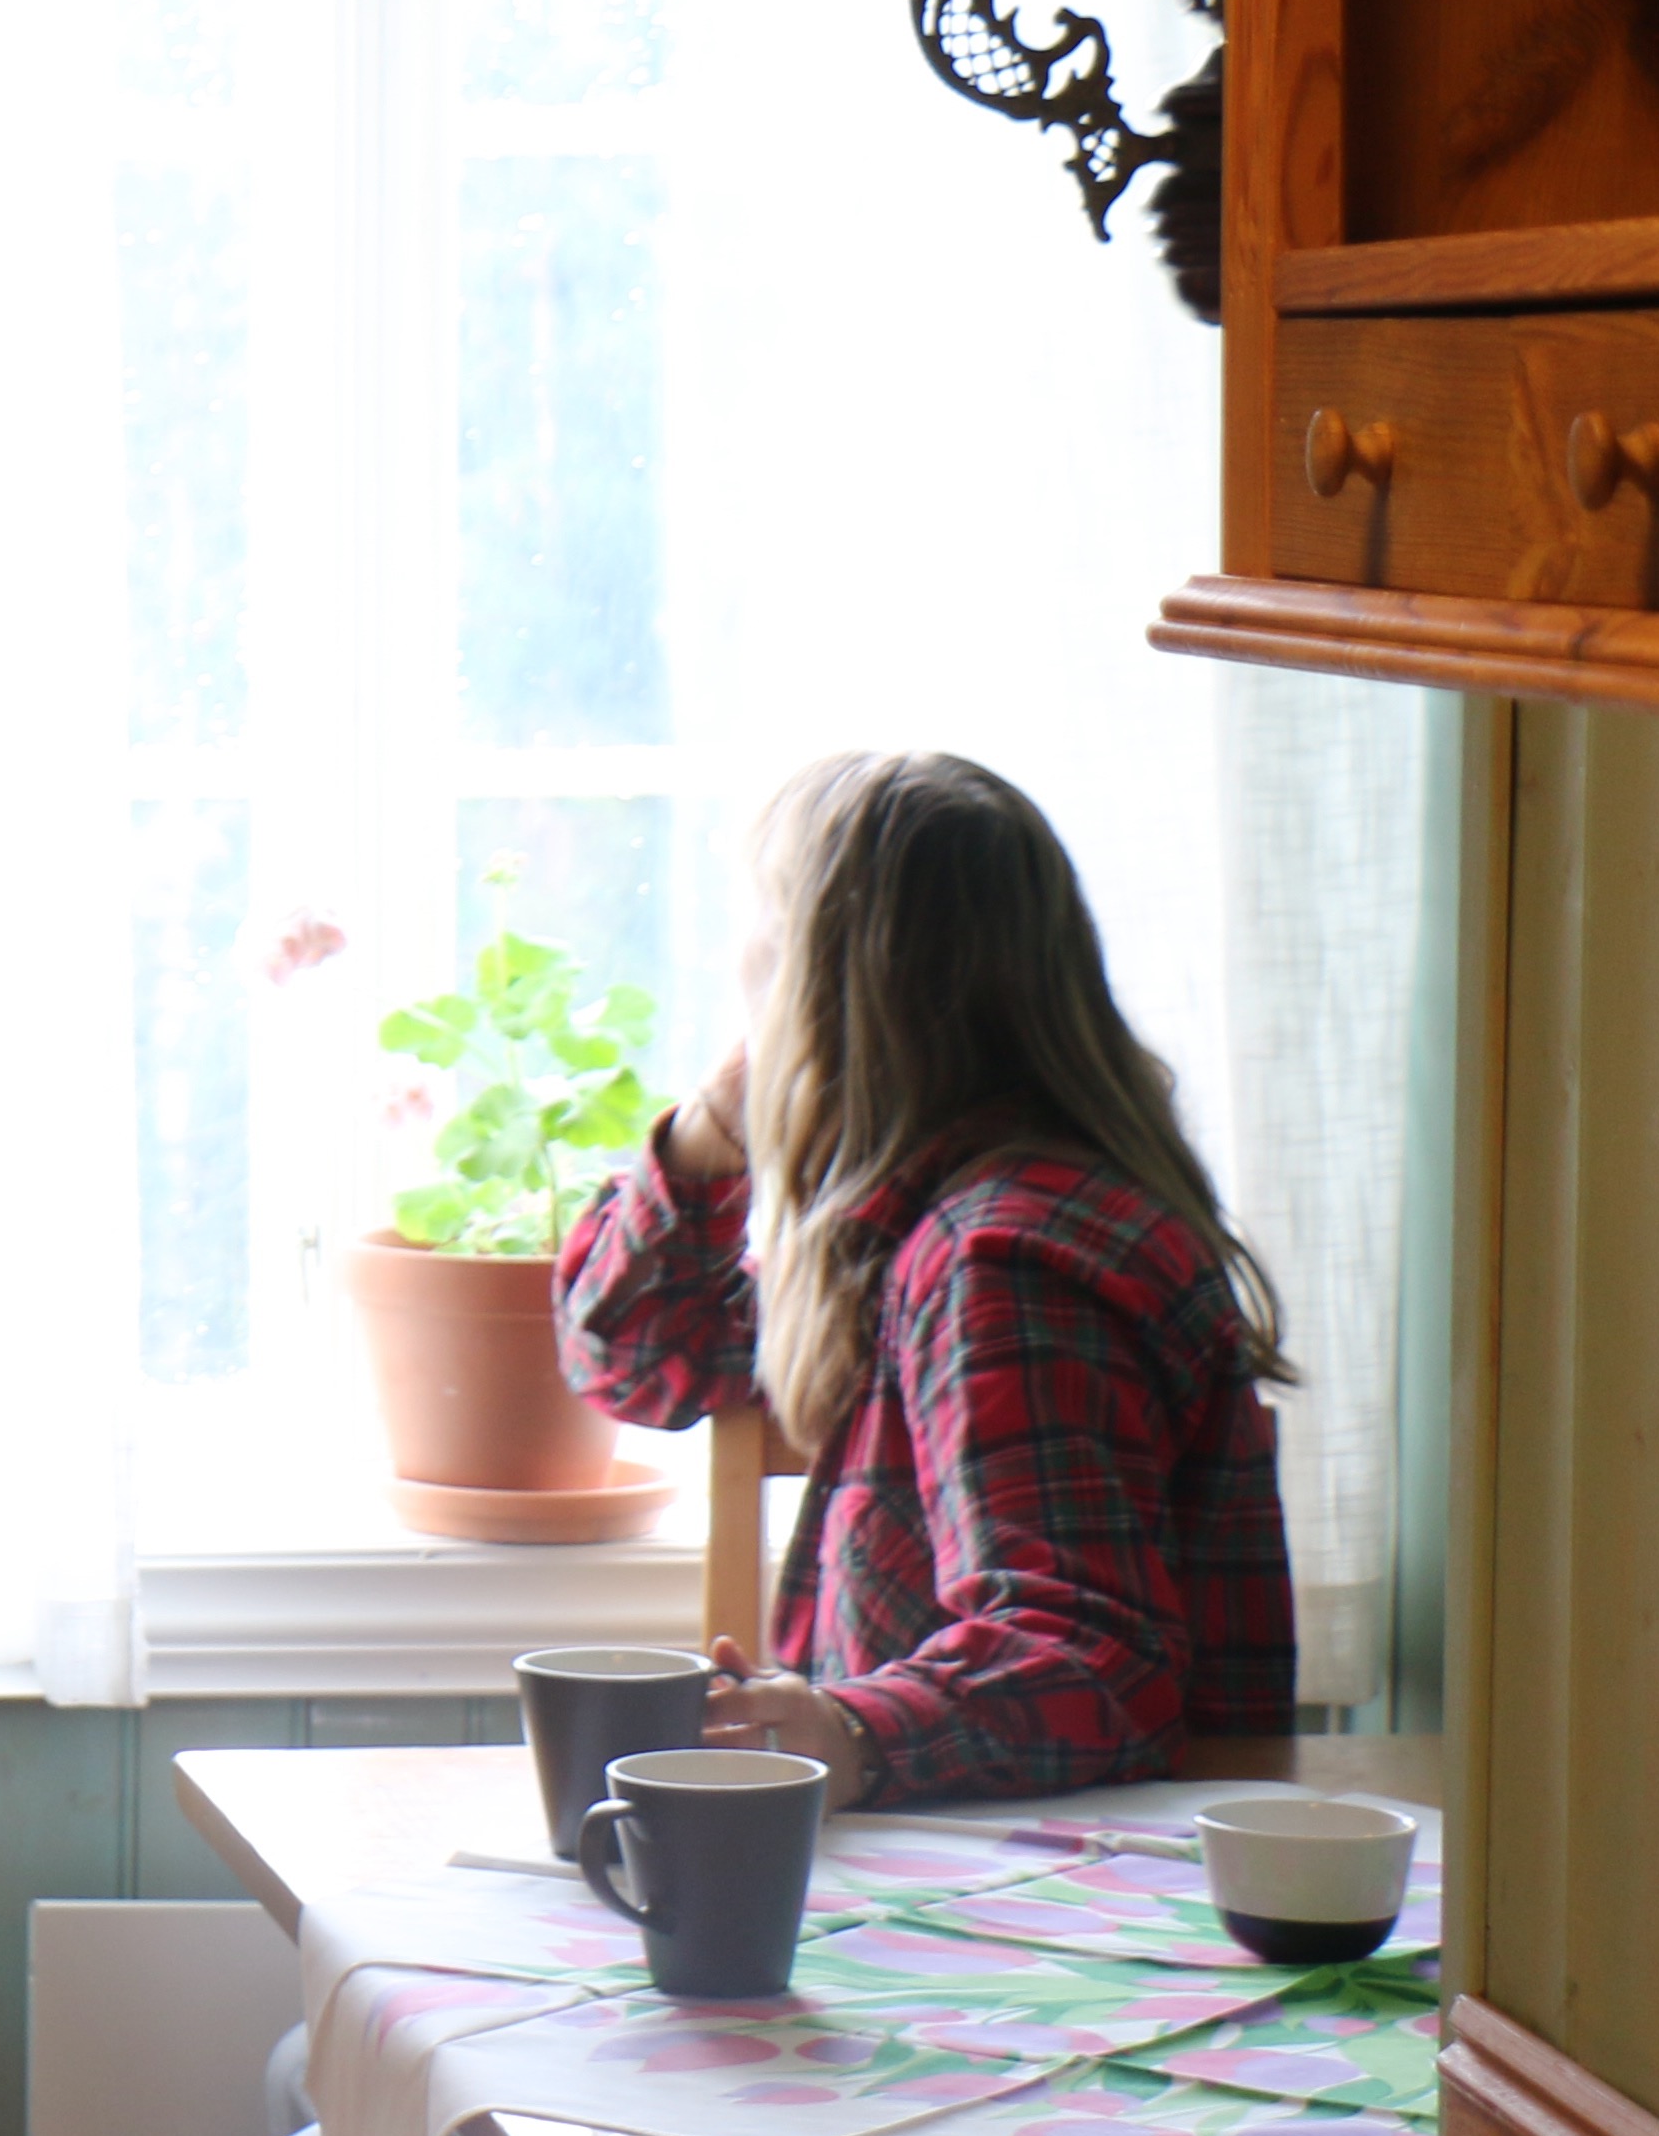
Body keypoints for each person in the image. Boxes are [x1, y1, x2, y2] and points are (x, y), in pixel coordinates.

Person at [554, 749, 1293, 1805]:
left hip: (1046, 1872)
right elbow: (636, 1355)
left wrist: (849, 1727)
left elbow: (1091, 1662)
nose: (733, 961)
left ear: (819, 993)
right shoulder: (910, 1233)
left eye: (758, 928)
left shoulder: (1006, 1264)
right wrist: (713, 1127)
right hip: (993, 1857)